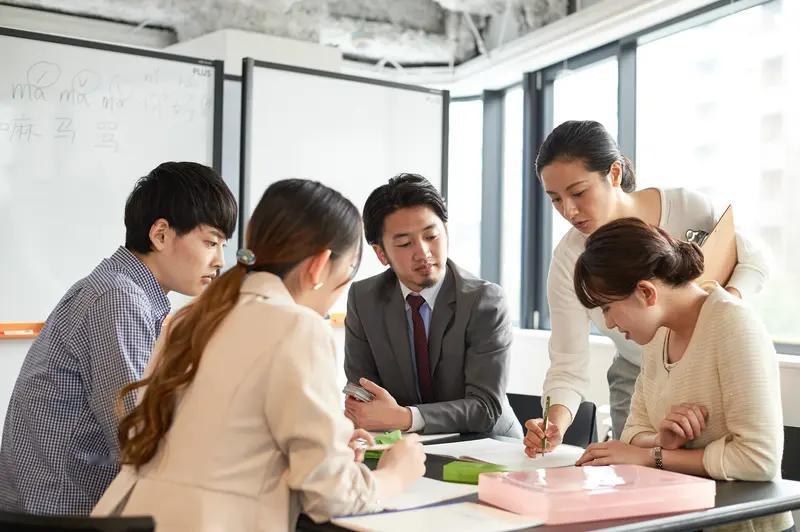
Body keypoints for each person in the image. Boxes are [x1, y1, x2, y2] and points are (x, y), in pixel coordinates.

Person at [93, 179, 426, 531]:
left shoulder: (191, 317)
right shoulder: (299, 327)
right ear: (319, 266)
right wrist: (394, 475)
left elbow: (226, 442)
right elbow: (331, 496)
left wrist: (331, 445)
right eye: (344, 277)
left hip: (133, 517)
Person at [0, 161, 237, 515]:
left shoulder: (121, 290)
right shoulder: (119, 299)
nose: (219, 260)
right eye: (211, 242)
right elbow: (139, 437)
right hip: (59, 515)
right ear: (160, 235)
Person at [524, 120, 769, 450]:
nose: (568, 210)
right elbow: (568, 363)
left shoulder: (686, 208)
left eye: (578, 192)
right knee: (641, 479)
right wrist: (554, 424)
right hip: (639, 380)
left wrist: (716, 315)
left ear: (613, 174)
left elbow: (753, 260)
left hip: (709, 371)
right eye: (555, 199)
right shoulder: (570, 259)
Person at [569, 218, 793, 532]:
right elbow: (633, 433)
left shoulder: (733, 325)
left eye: (607, 308)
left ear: (645, 293)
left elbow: (759, 460)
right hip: (682, 516)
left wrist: (652, 456)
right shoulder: (660, 335)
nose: (608, 323)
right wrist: (662, 440)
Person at [344, 173, 520, 436]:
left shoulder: (484, 301)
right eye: (404, 243)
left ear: (446, 231)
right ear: (381, 253)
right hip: (403, 446)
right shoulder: (364, 299)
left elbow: (484, 408)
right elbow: (363, 392)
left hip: (488, 446)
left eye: (431, 236)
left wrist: (405, 417)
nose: (423, 252)